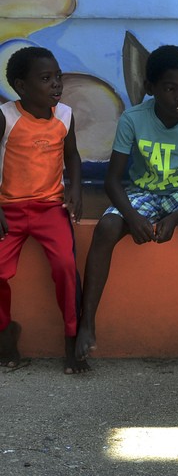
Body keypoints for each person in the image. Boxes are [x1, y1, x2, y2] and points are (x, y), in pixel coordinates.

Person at [73, 45, 178, 371]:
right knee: (107, 228)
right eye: (170, 88)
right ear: (151, 89)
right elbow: (113, 182)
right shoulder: (133, 119)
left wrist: (176, 218)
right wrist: (133, 217)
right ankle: (86, 324)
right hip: (142, 192)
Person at [0, 46, 85, 374]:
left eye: (58, 77)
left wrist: (75, 188)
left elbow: (73, 156)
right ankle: (6, 332)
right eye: (46, 79)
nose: (56, 85)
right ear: (22, 86)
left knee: (65, 265)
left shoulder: (64, 115)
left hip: (51, 208)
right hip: (10, 209)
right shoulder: (7, 116)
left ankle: (71, 339)